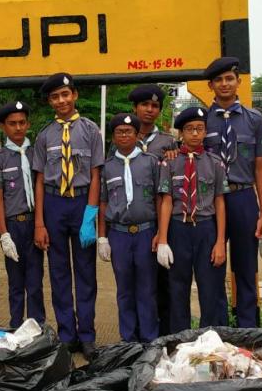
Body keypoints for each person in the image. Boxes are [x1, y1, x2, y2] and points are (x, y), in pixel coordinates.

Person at [32, 72, 104, 358]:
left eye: (65, 94)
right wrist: (39, 221)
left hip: (82, 203)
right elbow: (39, 179)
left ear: (74, 95)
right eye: (54, 97)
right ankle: (66, 335)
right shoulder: (44, 134)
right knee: (59, 272)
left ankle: (87, 335)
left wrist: (91, 213)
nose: (61, 101)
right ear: (50, 101)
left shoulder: (91, 130)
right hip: (54, 204)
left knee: (86, 272)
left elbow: (96, 173)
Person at [203, 57, 262, 327]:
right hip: (210, 200)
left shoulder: (254, 119)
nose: (225, 84)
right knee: (213, 266)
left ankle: (248, 327)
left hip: (243, 198)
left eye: (229, 78)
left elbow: (261, 168)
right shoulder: (202, 120)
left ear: (239, 82)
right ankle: (217, 327)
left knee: (245, 266)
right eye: (218, 80)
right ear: (210, 85)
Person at [157, 106, 228, 330]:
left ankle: (210, 338)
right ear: (181, 134)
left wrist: (220, 242)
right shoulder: (169, 163)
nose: (195, 134)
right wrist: (163, 239)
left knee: (209, 288)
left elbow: (219, 201)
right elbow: (167, 200)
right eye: (189, 129)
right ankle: (181, 339)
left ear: (206, 132)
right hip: (179, 229)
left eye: (199, 129)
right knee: (178, 288)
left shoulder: (215, 163)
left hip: (206, 229)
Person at [97, 113, 163, 342]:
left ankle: (149, 338)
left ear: (137, 135)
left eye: (129, 132)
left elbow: (158, 198)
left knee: (147, 290)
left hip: (146, 232)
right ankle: (128, 339)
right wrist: (102, 237)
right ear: (113, 137)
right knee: (124, 290)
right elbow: (102, 202)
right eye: (119, 132)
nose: (124, 135)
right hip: (119, 234)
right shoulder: (106, 167)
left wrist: (160, 235)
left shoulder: (151, 162)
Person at [124, 83, 178, 335]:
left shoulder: (170, 143)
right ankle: (135, 334)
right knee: (136, 282)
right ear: (134, 108)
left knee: (165, 281)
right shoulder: (123, 140)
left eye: (155, 106)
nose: (149, 110)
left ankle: (164, 334)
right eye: (144, 105)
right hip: (135, 221)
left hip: (164, 221)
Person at [0, 100, 46, 328]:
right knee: (15, 282)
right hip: (14, 225)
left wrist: (42, 224)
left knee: (35, 280)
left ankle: (36, 326)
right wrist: (4, 234)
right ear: (3, 126)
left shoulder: (36, 154)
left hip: (34, 223)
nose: (18, 128)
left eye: (22, 123)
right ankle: (15, 325)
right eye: (12, 124)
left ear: (28, 124)